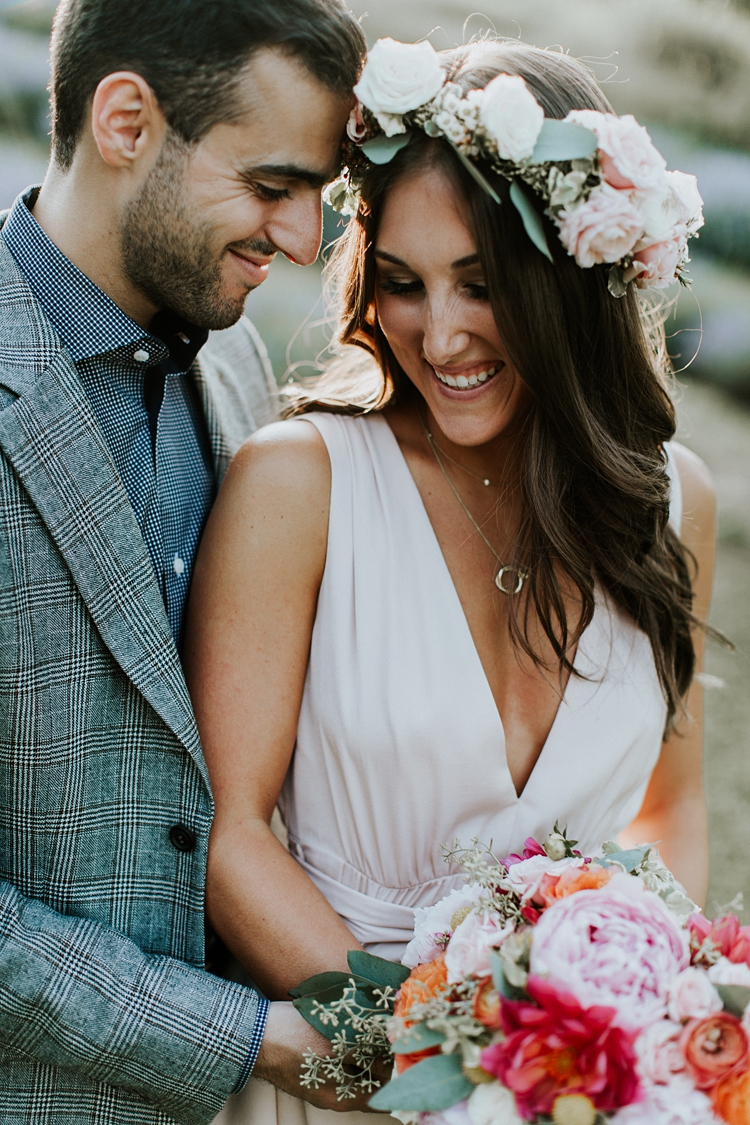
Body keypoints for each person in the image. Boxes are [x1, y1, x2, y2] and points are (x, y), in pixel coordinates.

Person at [185, 39, 717, 1124]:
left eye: (481, 284)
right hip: (346, 1072)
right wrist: (439, 1073)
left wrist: (641, 1036)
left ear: (571, 280)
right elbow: (227, 836)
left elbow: (670, 807)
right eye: (402, 283)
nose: (440, 331)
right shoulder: (299, 485)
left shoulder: (670, 503)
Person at [0, 0, 374, 1121]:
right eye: (272, 187)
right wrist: (247, 1037)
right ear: (126, 122)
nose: (306, 240)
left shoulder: (241, 371)